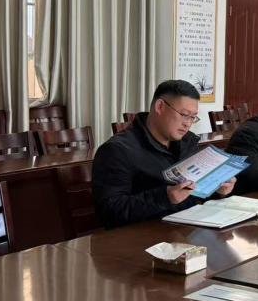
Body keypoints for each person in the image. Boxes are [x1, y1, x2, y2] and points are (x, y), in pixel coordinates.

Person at [92, 80, 236, 229]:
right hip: (144, 235)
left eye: (193, 117)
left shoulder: (188, 142)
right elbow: (109, 212)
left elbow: (194, 193)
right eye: (184, 115)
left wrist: (217, 190)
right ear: (160, 107)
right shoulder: (117, 150)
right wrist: (165, 197)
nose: (188, 123)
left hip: (188, 229)